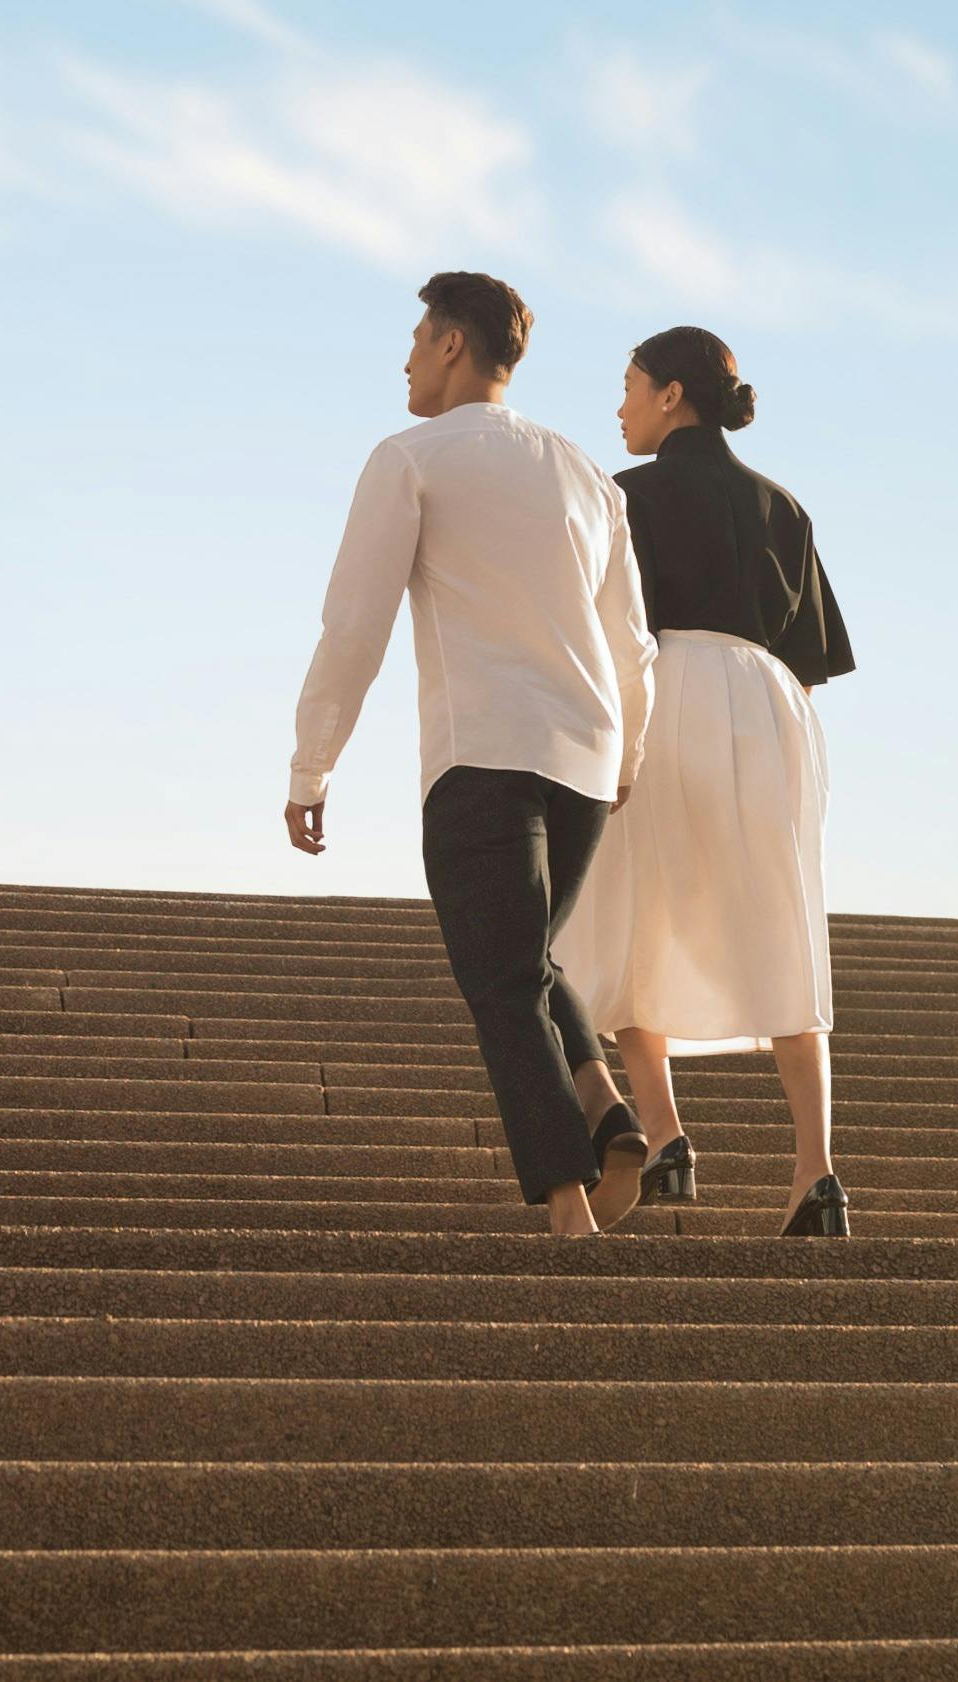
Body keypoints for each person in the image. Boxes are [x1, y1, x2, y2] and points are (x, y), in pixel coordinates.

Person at [287, 271, 659, 1238]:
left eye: (417, 336)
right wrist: (625, 761)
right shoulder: (585, 473)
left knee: (499, 984)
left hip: (482, 753)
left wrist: (310, 767)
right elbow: (634, 645)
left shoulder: (410, 458)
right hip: (585, 758)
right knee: (526, 960)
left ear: (454, 344)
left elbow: (353, 626)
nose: (406, 356)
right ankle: (607, 1112)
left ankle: (569, 1208)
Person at [554, 325, 860, 1236]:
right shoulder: (784, 506)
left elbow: (601, 630)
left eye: (629, 386)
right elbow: (809, 662)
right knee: (780, 924)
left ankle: (666, 1131)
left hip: (660, 689)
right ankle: (816, 1175)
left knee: (621, 915)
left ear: (671, 396)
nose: (620, 406)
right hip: (766, 705)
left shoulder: (622, 496)